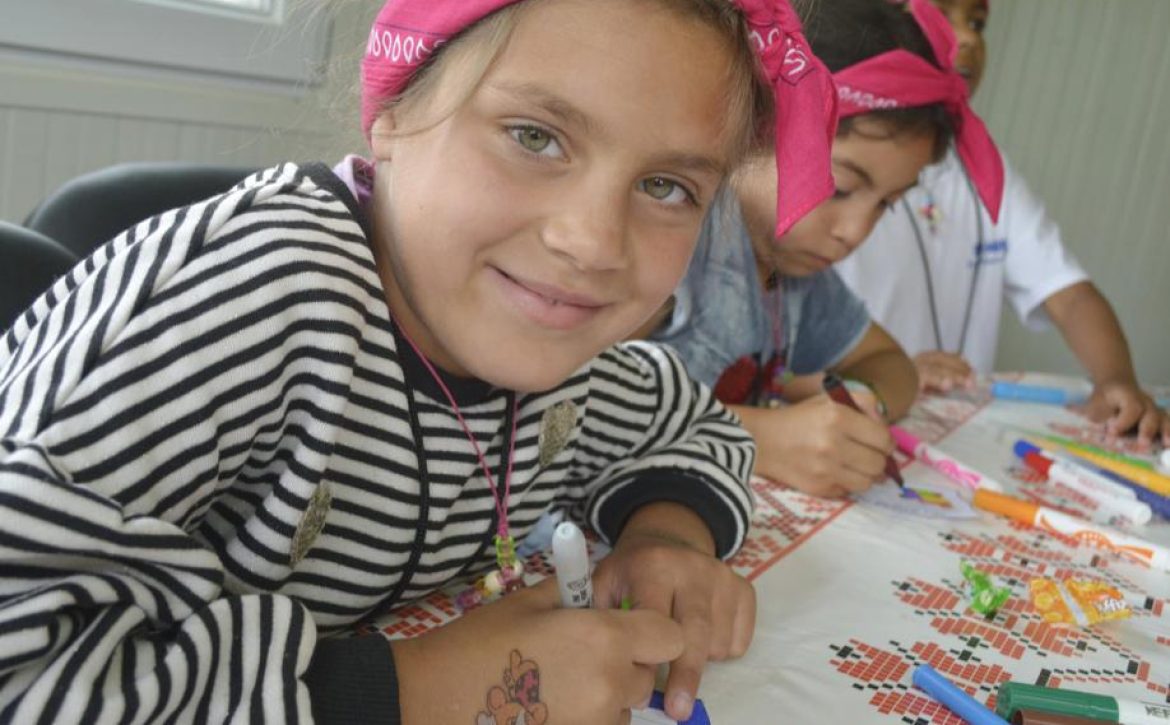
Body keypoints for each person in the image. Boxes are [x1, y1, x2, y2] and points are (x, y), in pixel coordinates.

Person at [0, 1, 839, 723]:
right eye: (534, 136)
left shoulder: (567, 354)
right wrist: (418, 687)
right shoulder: (251, 298)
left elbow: (693, 427)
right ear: (395, 113)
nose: (590, 243)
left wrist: (668, 535)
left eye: (666, 188)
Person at [649, 0, 998, 499]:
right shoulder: (675, 241)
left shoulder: (792, 272)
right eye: (836, 187)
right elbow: (568, 402)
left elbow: (890, 363)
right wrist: (759, 437)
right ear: (752, 128)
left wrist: (859, 401)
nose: (854, 232)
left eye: (887, 205)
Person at [836, 0, 1170, 446]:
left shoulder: (986, 171)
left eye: (977, 22)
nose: (969, 38)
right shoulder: (835, 158)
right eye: (940, 13)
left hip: (952, 438)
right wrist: (895, 372)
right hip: (860, 421)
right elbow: (787, 345)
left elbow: (1069, 296)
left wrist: (1116, 380)